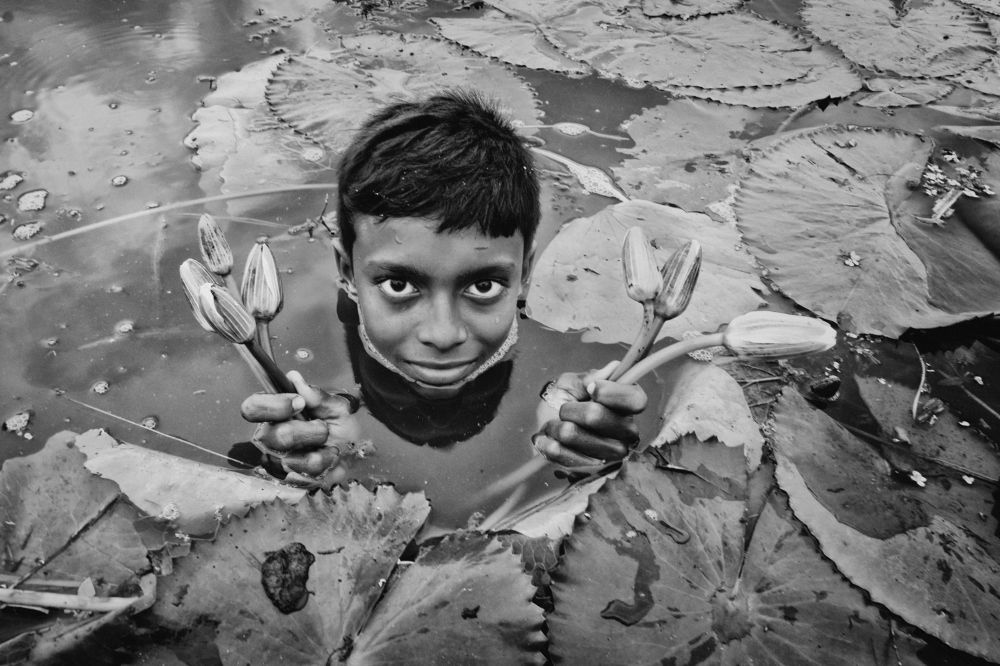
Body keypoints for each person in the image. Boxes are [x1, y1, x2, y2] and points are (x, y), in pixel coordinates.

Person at [240, 89, 647, 497]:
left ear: (525, 274)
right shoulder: (316, 344)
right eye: (399, 285)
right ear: (346, 271)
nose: (443, 334)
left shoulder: (569, 351)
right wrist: (318, 453)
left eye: (482, 286)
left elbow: (582, 429)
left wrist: (576, 436)